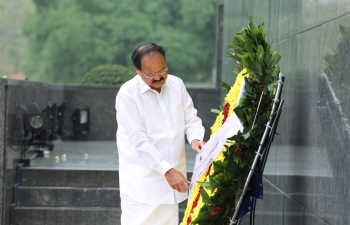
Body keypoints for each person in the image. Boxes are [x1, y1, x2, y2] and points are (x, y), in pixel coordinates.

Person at [115, 43, 205, 225]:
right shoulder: (127, 94)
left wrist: (196, 139)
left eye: (162, 70)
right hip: (142, 185)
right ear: (137, 70)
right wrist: (168, 171)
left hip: (172, 183)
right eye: (150, 74)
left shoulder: (176, 84)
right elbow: (139, 141)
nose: (158, 77)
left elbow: (190, 118)